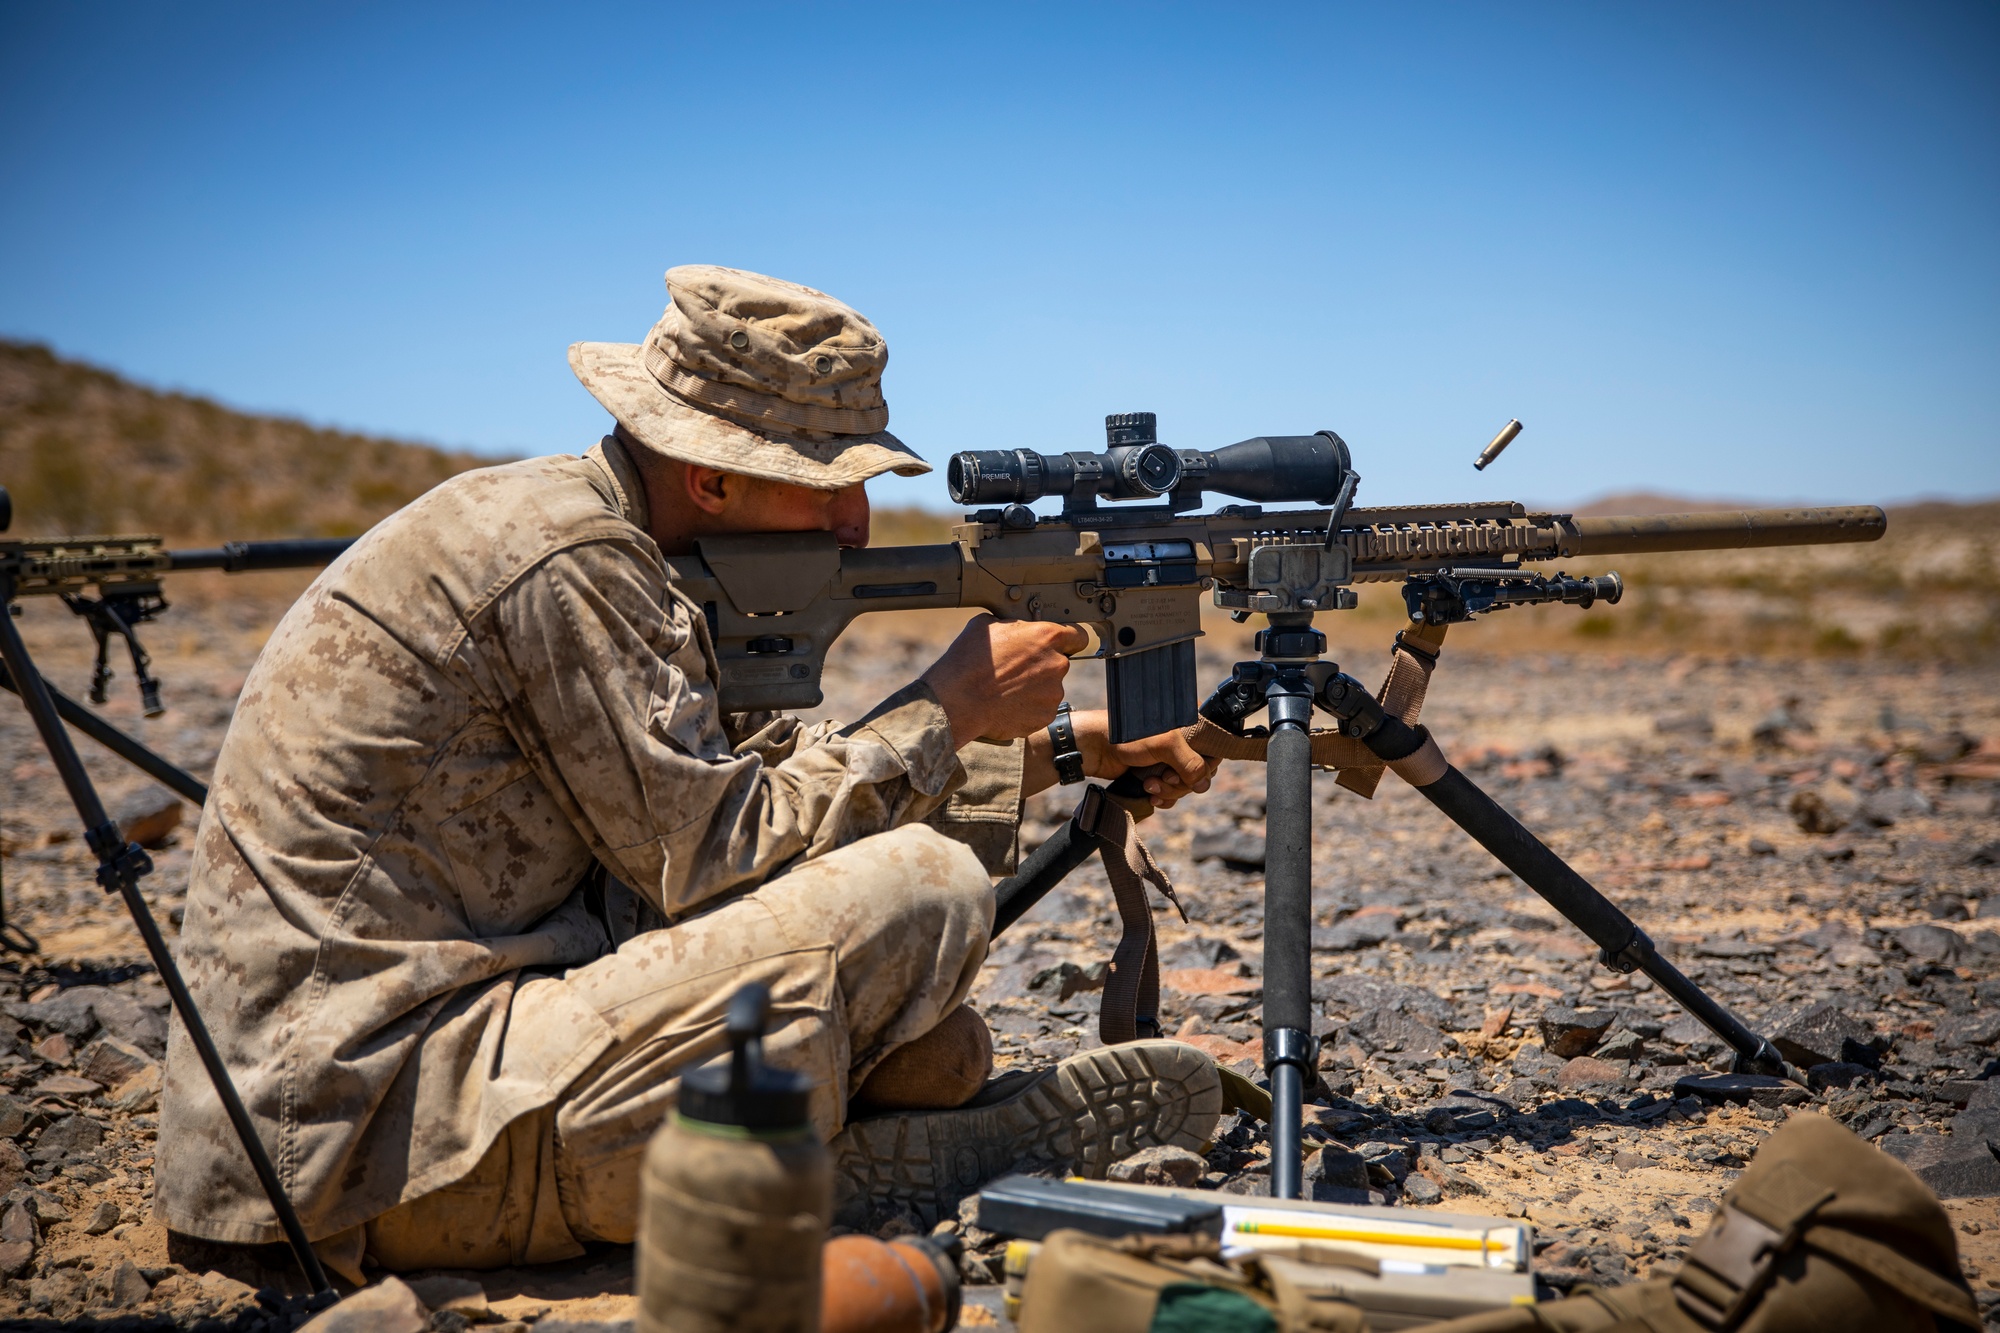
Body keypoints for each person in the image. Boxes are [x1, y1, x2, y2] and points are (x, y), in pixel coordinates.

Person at [157, 265, 1225, 1279]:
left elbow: (734, 789)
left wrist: (1064, 748)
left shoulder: (599, 539)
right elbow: (709, 855)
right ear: (710, 477)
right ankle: (830, 1177)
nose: (855, 521)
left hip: (372, 1091)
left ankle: (836, 1146)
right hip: (354, 1137)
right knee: (929, 887)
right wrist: (944, 711)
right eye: (825, 489)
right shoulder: (568, 562)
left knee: (939, 1050)